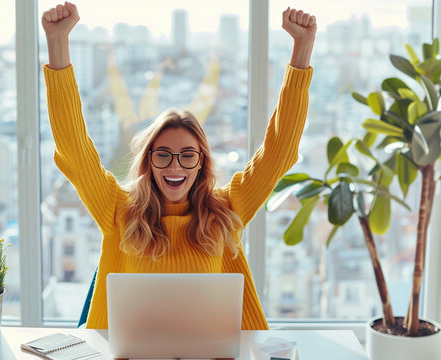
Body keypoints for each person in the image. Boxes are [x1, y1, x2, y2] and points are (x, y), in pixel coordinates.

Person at [42, 2, 316, 330]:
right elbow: (74, 151)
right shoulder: (118, 210)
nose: (175, 167)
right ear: (148, 161)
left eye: (188, 155)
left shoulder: (228, 210)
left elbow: (279, 151)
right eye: (163, 155)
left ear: (201, 162)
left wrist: (302, 50)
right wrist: (57, 43)